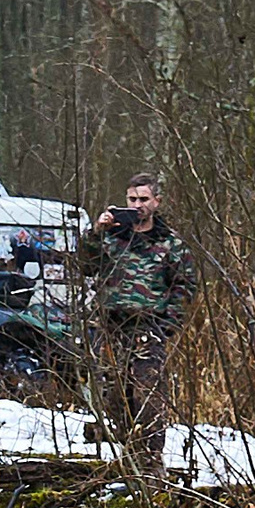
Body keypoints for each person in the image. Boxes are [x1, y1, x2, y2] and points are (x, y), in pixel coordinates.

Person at [78, 171, 195, 471]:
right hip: (111, 326)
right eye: (132, 199)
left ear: (157, 202)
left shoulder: (170, 243)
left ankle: (151, 462)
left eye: (144, 199)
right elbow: (85, 266)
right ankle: (128, 455)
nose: (138, 205)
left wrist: (168, 323)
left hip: (148, 327)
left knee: (148, 395)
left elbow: (185, 285)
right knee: (115, 395)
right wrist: (97, 231)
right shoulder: (112, 238)